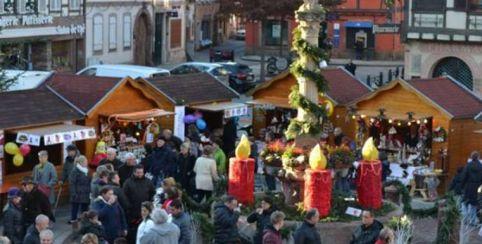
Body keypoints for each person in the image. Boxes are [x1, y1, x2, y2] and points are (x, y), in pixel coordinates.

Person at [122, 164, 155, 243]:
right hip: (132, 212)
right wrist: (129, 206)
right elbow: (124, 196)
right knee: (133, 233)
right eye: (138, 173)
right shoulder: (128, 182)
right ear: (134, 172)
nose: (140, 174)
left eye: (141, 172)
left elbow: (152, 193)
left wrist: (149, 205)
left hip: (145, 211)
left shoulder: (148, 182)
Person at [460, 151, 482, 225]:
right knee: (474, 203)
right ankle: (472, 220)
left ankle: (466, 218)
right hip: (478, 186)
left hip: (469, 186)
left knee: (466, 202)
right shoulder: (481, 166)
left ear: (471, 157)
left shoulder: (468, 166)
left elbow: (464, 177)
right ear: (478, 157)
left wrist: (462, 186)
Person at [69, 155, 91, 224]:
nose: (87, 163)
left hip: (86, 192)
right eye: (86, 161)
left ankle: (84, 219)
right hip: (77, 192)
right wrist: (73, 193)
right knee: (75, 206)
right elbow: (72, 182)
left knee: (84, 207)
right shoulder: (75, 170)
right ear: (81, 162)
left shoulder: (86, 170)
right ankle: (73, 219)